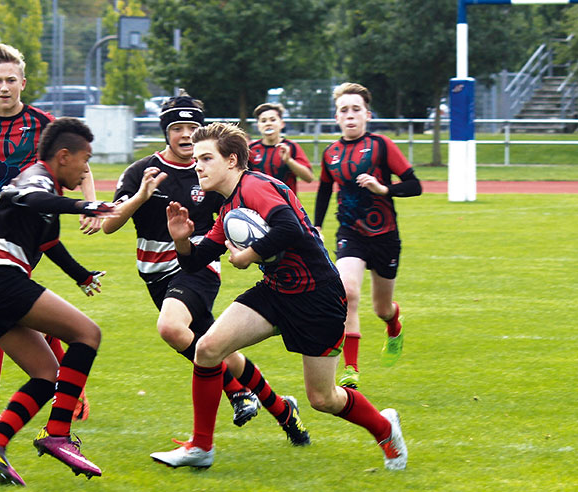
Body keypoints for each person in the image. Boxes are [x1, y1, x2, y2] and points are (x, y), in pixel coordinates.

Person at [150, 122, 407, 471]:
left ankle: (384, 428)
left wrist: (250, 255)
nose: (198, 165)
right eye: (196, 159)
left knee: (323, 398)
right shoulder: (227, 209)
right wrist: (181, 239)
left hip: (318, 298)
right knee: (208, 350)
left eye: (206, 158)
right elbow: (196, 261)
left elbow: (291, 228)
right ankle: (201, 447)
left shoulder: (255, 185)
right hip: (276, 291)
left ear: (231, 160)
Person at [102, 91, 310, 444]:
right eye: (177, 127)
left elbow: (253, 207)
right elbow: (108, 225)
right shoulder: (141, 171)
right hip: (154, 274)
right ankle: (282, 410)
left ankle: (237, 394)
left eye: (191, 127)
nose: (185, 135)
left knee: (171, 328)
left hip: (197, 265)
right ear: (165, 130)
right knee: (216, 349)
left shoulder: (212, 171)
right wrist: (141, 196)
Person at [0, 43, 100, 425]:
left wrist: (91, 205)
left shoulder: (43, 122)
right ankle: (41, 397)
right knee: (18, 315)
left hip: (28, 229)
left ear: (23, 83)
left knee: (21, 313)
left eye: (11, 80)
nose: (4, 87)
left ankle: (50, 393)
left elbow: (80, 163)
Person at [0, 117, 114, 486]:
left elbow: (48, 243)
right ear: (63, 156)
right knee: (87, 333)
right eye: (85, 159)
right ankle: (58, 434)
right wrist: (86, 206)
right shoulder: (37, 179)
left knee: (46, 375)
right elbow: (26, 197)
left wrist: (81, 274)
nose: (86, 168)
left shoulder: (45, 193)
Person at [313, 82, 422, 389]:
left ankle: (394, 324)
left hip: (385, 236)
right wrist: (317, 225)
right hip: (350, 234)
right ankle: (351, 369)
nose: (350, 116)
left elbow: (415, 185)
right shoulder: (331, 153)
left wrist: (383, 188)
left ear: (367, 115)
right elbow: (323, 190)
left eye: (356, 110)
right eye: (343, 110)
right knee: (347, 292)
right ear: (336, 117)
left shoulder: (382, 146)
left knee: (381, 308)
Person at [248, 102, 313, 194]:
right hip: (258, 204)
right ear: (258, 125)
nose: (268, 124)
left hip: (287, 205)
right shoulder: (250, 149)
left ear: (282, 124)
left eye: (273, 119)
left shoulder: (291, 147)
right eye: (263, 121)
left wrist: (289, 161)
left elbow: (309, 178)